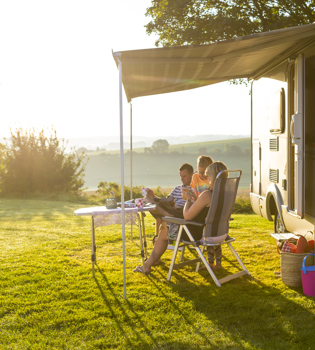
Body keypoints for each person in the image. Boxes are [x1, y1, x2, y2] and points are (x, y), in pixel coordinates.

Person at [133, 161, 228, 274]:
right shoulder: (225, 193)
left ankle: (147, 265)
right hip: (220, 233)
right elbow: (206, 210)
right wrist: (195, 200)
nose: (206, 179)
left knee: (164, 227)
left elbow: (187, 216)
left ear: (212, 178)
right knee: (166, 226)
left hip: (195, 232)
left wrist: (187, 199)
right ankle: (148, 264)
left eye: (207, 177)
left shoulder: (207, 194)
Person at [144, 163, 194, 238]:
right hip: (171, 210)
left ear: (191, 175)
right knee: (147, 199)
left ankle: (166, 216)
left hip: (181, 213)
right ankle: (167, 215)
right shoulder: (177, 188)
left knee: (155, 207)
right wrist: (154, 196)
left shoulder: (194, 189)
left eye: (184, 176)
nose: (182, 179)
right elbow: (167, 200)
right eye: (180, 176)